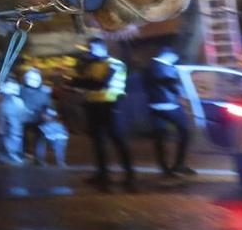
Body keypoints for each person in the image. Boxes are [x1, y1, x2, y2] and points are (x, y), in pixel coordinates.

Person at [69, 36, 135, 190]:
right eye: (88, 48)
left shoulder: (115, 64)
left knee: (118, 140)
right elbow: (78, 81)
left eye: (92, 48)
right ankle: (102, 173)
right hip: (93, 105)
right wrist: (81, 80)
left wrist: (80, 82)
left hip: (111, 106)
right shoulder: (92, 65)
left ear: (102, 48)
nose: (89, 51)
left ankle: (129, 174)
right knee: (98, 142)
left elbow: (99, 83)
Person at [141, 47, 199, 178]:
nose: (175, 60)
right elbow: (169, 83)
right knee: (185, 132)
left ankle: (165, 168)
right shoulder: (162, 67)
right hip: (168, 105)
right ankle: (179, 165)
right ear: (168, 55)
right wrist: (180, 90)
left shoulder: (149, 67)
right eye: (174, 58)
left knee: (160, 137)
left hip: (154, 106)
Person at [0, 80, 29, 165]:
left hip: (12, 126)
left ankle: (9, 155)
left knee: (12, 138)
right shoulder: (3, 100)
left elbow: (22, 112)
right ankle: (5, 155)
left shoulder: (14, 101)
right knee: (5, 139)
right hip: (6, 127)